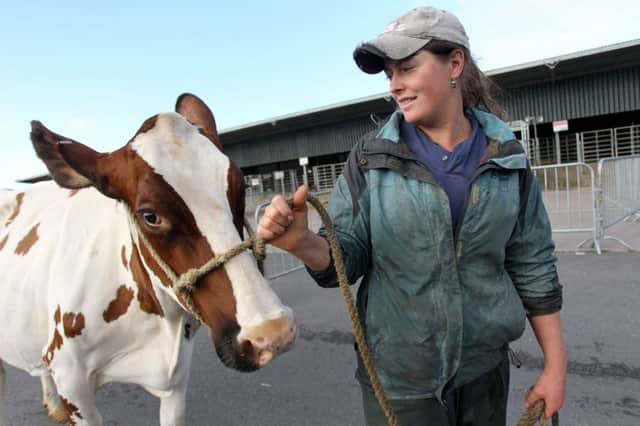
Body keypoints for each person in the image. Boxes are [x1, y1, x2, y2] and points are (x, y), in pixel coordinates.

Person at [257, 6, 566, 426]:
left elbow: (533, 265)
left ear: (454, 63)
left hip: (484, 376)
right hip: (399, 384)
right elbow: (349, 259)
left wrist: (555, 366)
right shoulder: (370, 159)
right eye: (389, 74)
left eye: (406, 68)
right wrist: (303, 243)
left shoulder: (507, 157)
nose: (395, 86)